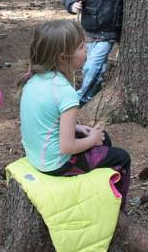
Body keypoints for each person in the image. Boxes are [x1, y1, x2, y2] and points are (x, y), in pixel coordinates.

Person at [18, 19, 131, 210]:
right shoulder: (65, 92)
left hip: (37, 154)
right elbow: (67, 146)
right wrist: (93, 138)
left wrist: (78, 128)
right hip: (56, 165)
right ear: (63, 57)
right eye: (80, 46)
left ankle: (96, 188)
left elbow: (44, 121)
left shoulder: (34, 79)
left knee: (105, 141)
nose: (86, 48)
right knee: (121, 157)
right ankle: (117, 209)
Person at [63, 0, 125, 106]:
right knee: (97, 67)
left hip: (110, 30)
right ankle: (94, 95)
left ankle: (80, 98)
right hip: (91, 30)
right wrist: (72, 4)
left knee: (92, 67)